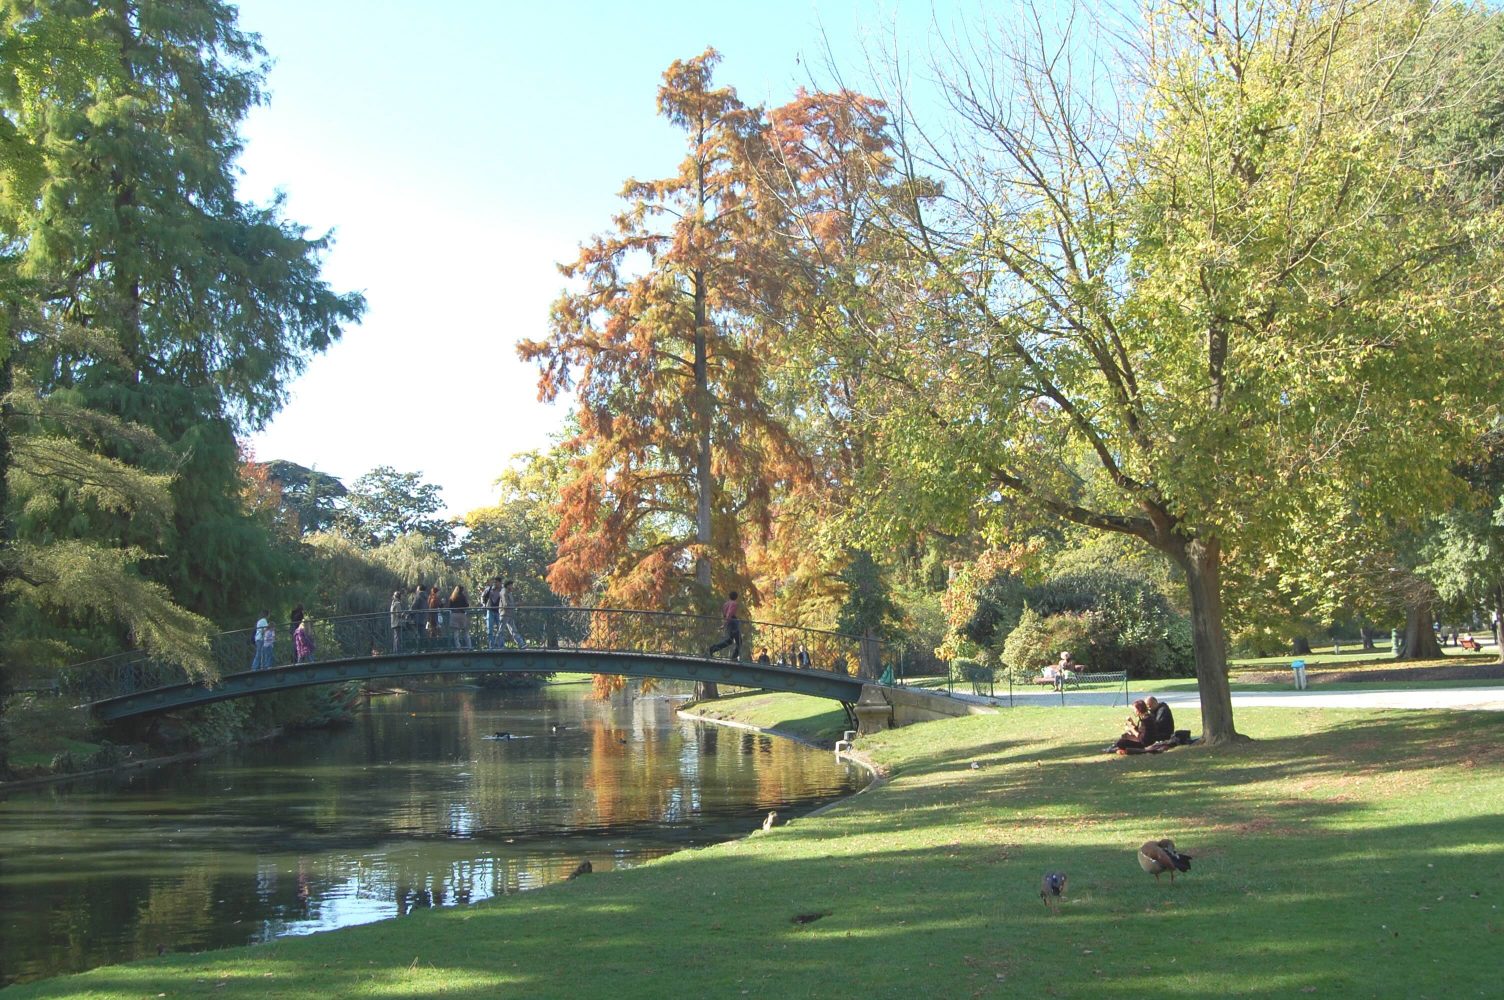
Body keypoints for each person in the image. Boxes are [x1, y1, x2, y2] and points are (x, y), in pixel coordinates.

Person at [706, 591, 742, 660]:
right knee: (739, 641)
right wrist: (724, 624)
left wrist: (725, 622)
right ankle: (734, 657)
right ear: (736, 597)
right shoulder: (734, 603)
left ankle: (713, 648)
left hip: (729, 622)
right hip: (733, 622)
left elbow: (725, 614)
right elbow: (730, 613)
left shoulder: (725, 604)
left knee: (730, 640)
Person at [499, 580, 525, 648]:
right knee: (501, 631)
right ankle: (497, 645)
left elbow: (510, 603)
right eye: (511, 585)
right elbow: (506, 604)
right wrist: (516, 604)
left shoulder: (509, 593)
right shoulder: (504, 592)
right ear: (507, 586)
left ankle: (521, 644)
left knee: (513, 630)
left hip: (509, 614)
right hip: (504, 614)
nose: (512, 587)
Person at [482, 577, 503, 648]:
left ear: (500, 583)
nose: (495, 584)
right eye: (494, 582)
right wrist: (484, 604)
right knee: (490, 629)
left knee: (500, 630)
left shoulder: (503, 590)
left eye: (496, 582)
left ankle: (501, 646)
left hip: (499, 612)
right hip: (490, 611)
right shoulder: (489, 589)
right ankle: (491, 646)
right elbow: (483, 597)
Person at [450, 584, 471, 649]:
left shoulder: (452, 597)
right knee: (465, 632)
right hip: (462, 615)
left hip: (454, 615)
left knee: (456, 633)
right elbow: (466, 605)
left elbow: (450, 606)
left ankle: (458, 647)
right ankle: (469, 646)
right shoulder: (463, 597)